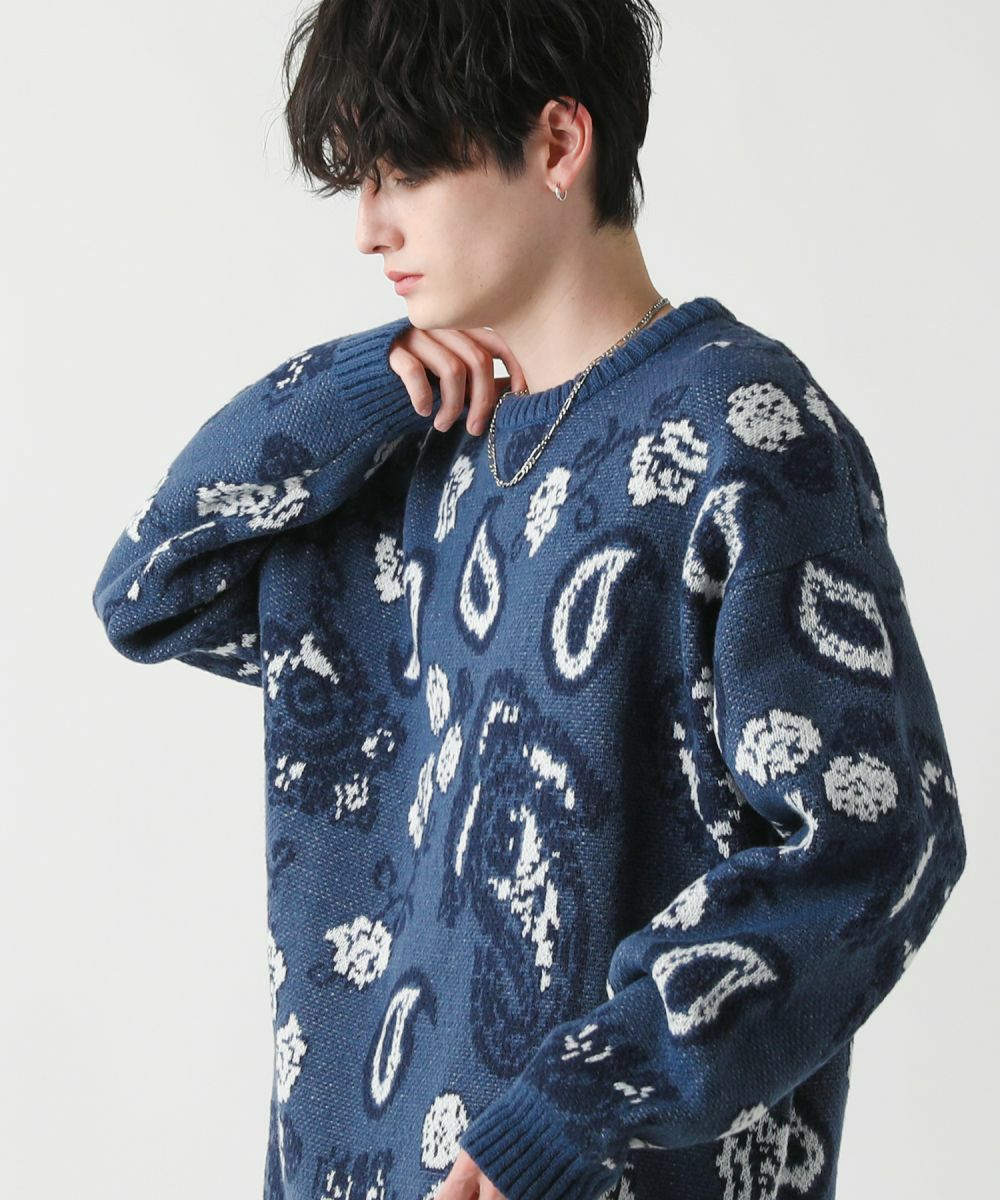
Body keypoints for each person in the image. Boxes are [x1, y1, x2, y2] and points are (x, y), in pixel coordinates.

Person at [91, 3, 967, 1199]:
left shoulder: (743, 434)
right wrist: (360, 388)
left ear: (558, 142)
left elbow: (876, 842)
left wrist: (576, 1109)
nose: (369, 227)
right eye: (359, 178)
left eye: (404, 170)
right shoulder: (408, 466)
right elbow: (151, 590)